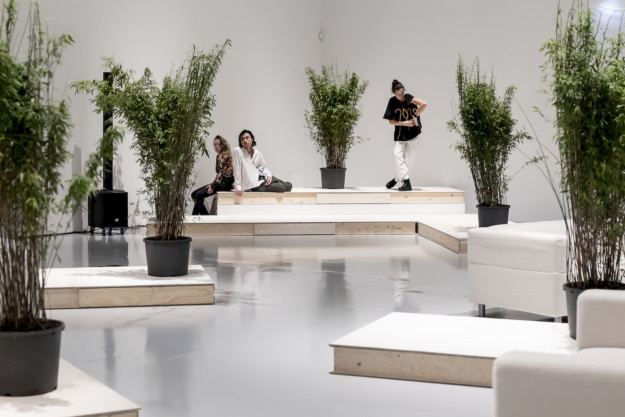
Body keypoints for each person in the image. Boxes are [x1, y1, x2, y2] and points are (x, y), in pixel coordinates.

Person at [382, 79, 427, 191]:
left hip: (414, 135)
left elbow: (424, 104)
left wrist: (415, 115)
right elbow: (390, 121)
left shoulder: (408, 98)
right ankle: (407, 183)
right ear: (394, 93)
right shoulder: (392, 101)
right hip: (400, 135)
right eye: (398, 94)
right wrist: (404, 123)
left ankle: (397, 179)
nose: (401, 96)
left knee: (408, 162)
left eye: (402, 93)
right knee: (397, 155)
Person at [233, 129, 292, 196]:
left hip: (262, 178)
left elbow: (262, 167)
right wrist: (238, 186)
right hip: (253, 185)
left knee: (289, 185)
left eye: (247, 138)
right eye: (242, 139)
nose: (245, 140)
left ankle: (281, 183)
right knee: (281, 187)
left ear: (252, 139)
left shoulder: (257, 153)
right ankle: (282, 184)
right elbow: (237, 170)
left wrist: (268, 175)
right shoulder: (238, 151)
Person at [191, 135, 234, 215]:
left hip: (224, 184)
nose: (217, 146)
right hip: (221, 182)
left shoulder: (223, 155)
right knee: (194, 194)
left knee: (198, 195)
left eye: (219, 144)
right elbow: (220, 173)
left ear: (223, 144)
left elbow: (221, 172)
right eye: (215, 145)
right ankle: (206, 216)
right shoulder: (221, 154)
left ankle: (195, 217)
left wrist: (213, 186)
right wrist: (212, 183)